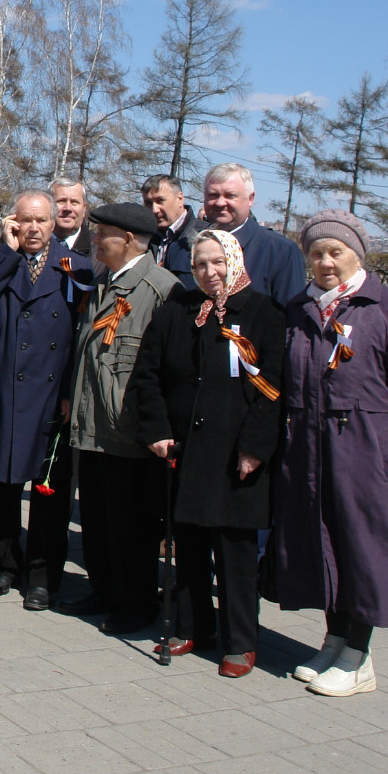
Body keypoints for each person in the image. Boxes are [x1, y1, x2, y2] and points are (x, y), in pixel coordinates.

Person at [269, 209, 388, 698]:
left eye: (335, 252)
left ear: (356, 255)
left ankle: (358, 656)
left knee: (363, 550)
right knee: (323, 545)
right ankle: (335, 639)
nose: (325, 262)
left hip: (366, 454)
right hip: (309, 452)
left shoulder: (387, 309)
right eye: (316, 253)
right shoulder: (300, 309)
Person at [133, 228, 284, 677]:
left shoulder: (262, 312)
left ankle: (241, 642)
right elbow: (148, 374)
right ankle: (192, 625)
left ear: (234, 261)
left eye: (217, 262)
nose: (209, 271)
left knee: (234, 555)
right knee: (190, 547)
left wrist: (255, 447)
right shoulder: (178, 310)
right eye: (200, 264)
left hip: (236, 454)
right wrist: (157, 430)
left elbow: (273, 387)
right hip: (184, 448)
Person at [0, 190, 93, 600]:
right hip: (2, 390)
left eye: (41, 220)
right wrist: (7, 251)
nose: (33, 228)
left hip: (51, 394)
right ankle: (2, 566)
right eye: (25, 220)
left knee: (49, 491)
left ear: (54, 224)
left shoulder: (77, 268)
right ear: (12, 223)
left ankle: (41, 577)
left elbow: (82, 337)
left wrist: (69, 390)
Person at [58, 202, 180, 631]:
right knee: (97, 518)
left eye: (101, 232)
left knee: (131, 525)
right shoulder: (103, 282)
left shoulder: (161, 288)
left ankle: (136, 603)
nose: (94, 239)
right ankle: (104, 589)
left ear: (128, 239)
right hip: (92, 424)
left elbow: (164, 368)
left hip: (129, 431)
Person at [200, 163, 305, 306]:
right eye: (213, 195)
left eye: (230, 195)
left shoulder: (280, 251)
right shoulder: (186, 248)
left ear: (250, 199)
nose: (220, 203)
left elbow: (291, 312)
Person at [143, 174, 197, 290]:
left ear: (180, 199)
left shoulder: (202, 237)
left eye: (160, 201)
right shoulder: (144, 240)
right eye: (148, 203)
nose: (154, 210)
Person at [51, 178, 92, 256]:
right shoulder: (30, 246)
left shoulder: (100, 249)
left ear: (84, 208)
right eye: (61, 201)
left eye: (74, 202)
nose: (68, 208)